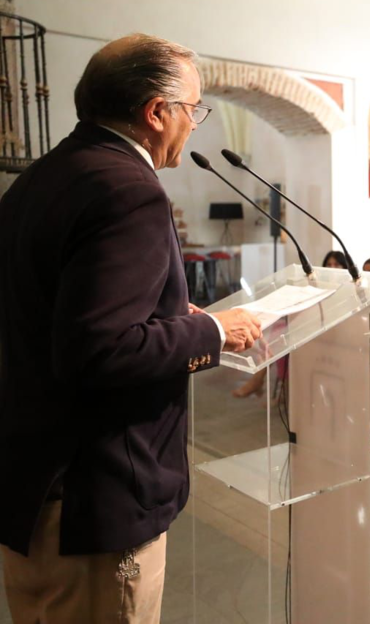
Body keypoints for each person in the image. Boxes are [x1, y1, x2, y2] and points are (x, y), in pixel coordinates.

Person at [0, 34, 262, 623]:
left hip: (33, 482)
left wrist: (170, 316)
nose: (194, 124)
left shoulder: (40, 180)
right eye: (192, 110)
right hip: (95, 501)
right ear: (155, 112)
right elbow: (99, 352)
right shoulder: (129, 191)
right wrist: (213, 333)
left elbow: (50, 313)